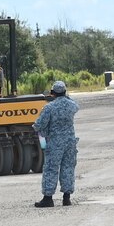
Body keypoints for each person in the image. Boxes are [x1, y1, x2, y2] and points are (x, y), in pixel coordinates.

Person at [33, 79, 80, 207]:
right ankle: (66, 198)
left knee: (51, 169)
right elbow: (75, 104)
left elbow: (39, 124)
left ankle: (48, 198)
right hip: (70, 142)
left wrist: (35, 127)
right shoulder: (71, 105)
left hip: (55, 143)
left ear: (52, 93)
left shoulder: (49, 107)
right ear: (65, 92)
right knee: (68, 168)